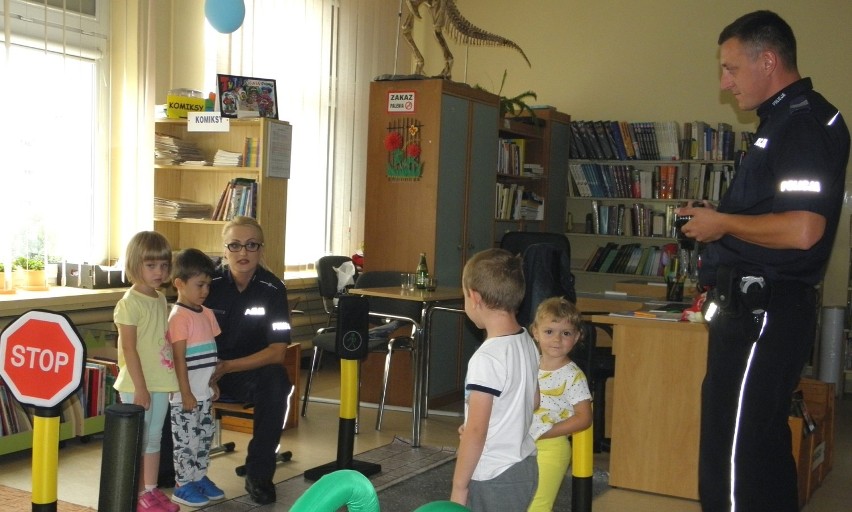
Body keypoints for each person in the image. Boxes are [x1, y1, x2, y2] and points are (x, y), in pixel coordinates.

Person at [678, 10, 850, 512]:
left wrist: (725, 226)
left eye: (731, 68)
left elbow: (803, 229)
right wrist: (723, 215)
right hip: (756, 309)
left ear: (769, 60)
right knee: (761, 447)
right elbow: (777, 214)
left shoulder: (804, 123)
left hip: (764, 311)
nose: (724, 82)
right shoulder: (782, 120)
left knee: (733, 457)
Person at [205, 216, 293, 505]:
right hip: (203, 368)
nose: (243, 253)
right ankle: (170, 470)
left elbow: (278, 350)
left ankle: (259, 474)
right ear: (224, 248)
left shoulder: (273, 289)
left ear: (261, 249)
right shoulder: (207, 283)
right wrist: (208, 373)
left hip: (247, 371)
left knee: (277, 380)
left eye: (251, 245)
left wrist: (227, 367)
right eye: (235, 245)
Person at [451, 248, 540, 511]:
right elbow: (533, 400)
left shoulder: (487, 358)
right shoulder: (526, 340)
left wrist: (459, 486)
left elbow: (477, 432)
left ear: (475, 298)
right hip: (524, 466)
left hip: (494, 474)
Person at [113, 231, 180, 512]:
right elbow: (129, 350)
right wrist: (140, 388)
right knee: (138, 440)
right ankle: (137, 492)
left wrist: (172, 377)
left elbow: (161, 340)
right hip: (136, 383)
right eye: (151, 265)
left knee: (154, 438)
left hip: (160, 380)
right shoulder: (129, 303)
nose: (159, 271)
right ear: (135, 264)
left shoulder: (160, 298)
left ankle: (150, 491)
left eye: (164, 265)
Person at [167, 249, 225, 507]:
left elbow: (212, 353)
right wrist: (186, 392)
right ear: (179, 284)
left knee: (203, 438)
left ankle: (199, 476)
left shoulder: (207, 313)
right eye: (199, 285)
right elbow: (179, 358)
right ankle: (182, 484)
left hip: (203, 392)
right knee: (186, 442)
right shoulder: (178, 317)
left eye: (208, 285)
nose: (205, 290)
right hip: (185, 395)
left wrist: (212, 383)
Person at [527, 297, 592, 512]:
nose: (557, 339)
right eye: (549, 332)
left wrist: (549, 432)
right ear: (535, 332)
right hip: (521, 441)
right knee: (519, 498)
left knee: (538, 504)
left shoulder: (573, 376)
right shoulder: (529, 363)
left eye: (566, 333)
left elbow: (584, 417)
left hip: (551, 447)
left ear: (577, 337)